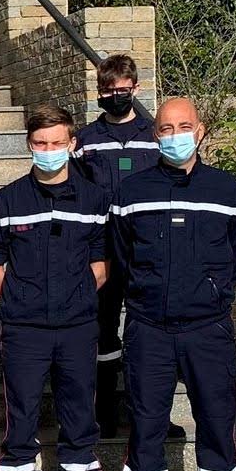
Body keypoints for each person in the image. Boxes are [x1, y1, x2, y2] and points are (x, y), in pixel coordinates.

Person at [110, 97, 236, 471]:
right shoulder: (132, 191)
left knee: (217, 422)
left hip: (207, 328)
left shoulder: (226, 189)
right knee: (147, 423)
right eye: (166, 127)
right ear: (155, 134)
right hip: (149, 327)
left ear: (201, 130)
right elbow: (121, 255)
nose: (175, 134)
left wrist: (213, 291)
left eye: (184, 126)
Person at [0, 105, 114, 471]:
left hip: (77, 326)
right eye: (41, 144)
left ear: (72, 144)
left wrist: (75, 298)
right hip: (25, 329)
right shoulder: (6, 202)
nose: (50, 151)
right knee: (22, 414)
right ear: (29, 146)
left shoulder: (95, 200)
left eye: (58, 143)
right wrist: (21, 304)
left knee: (80, 415)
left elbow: (100, 263)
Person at [73, 54, 160, 438]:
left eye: (122, 90)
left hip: (149, 252)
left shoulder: (157, 136)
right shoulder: (87, 141)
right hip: (103, 252)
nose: (116, 96)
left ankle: (153, 416)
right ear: (98, 93)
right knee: (103, 332)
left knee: (150, 333)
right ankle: (104, 411)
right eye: (108, 91)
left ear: (136, 89)